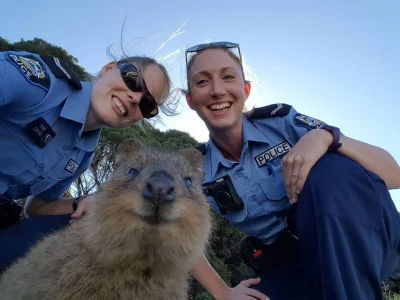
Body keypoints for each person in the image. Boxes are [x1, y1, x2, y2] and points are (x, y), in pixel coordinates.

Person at [183, 41, 400, 300]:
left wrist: (327, 137)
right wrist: (222, 292)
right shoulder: (195, 169)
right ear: (190, 100)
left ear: (246, 89)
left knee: (330, 168)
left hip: (365, 240)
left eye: (228, 77)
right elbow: (173, 233)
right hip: (298, 267)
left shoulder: (282, 123)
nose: (217, 91)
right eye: (202, 82)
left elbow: (394, 175)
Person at [0, 49, 174, 272]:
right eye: (133, 80)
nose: (135, 97)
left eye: (147, 104)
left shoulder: (83, 155)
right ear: (108, 69)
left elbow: (37, 207)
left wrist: (87, 202)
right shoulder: (37, 85)